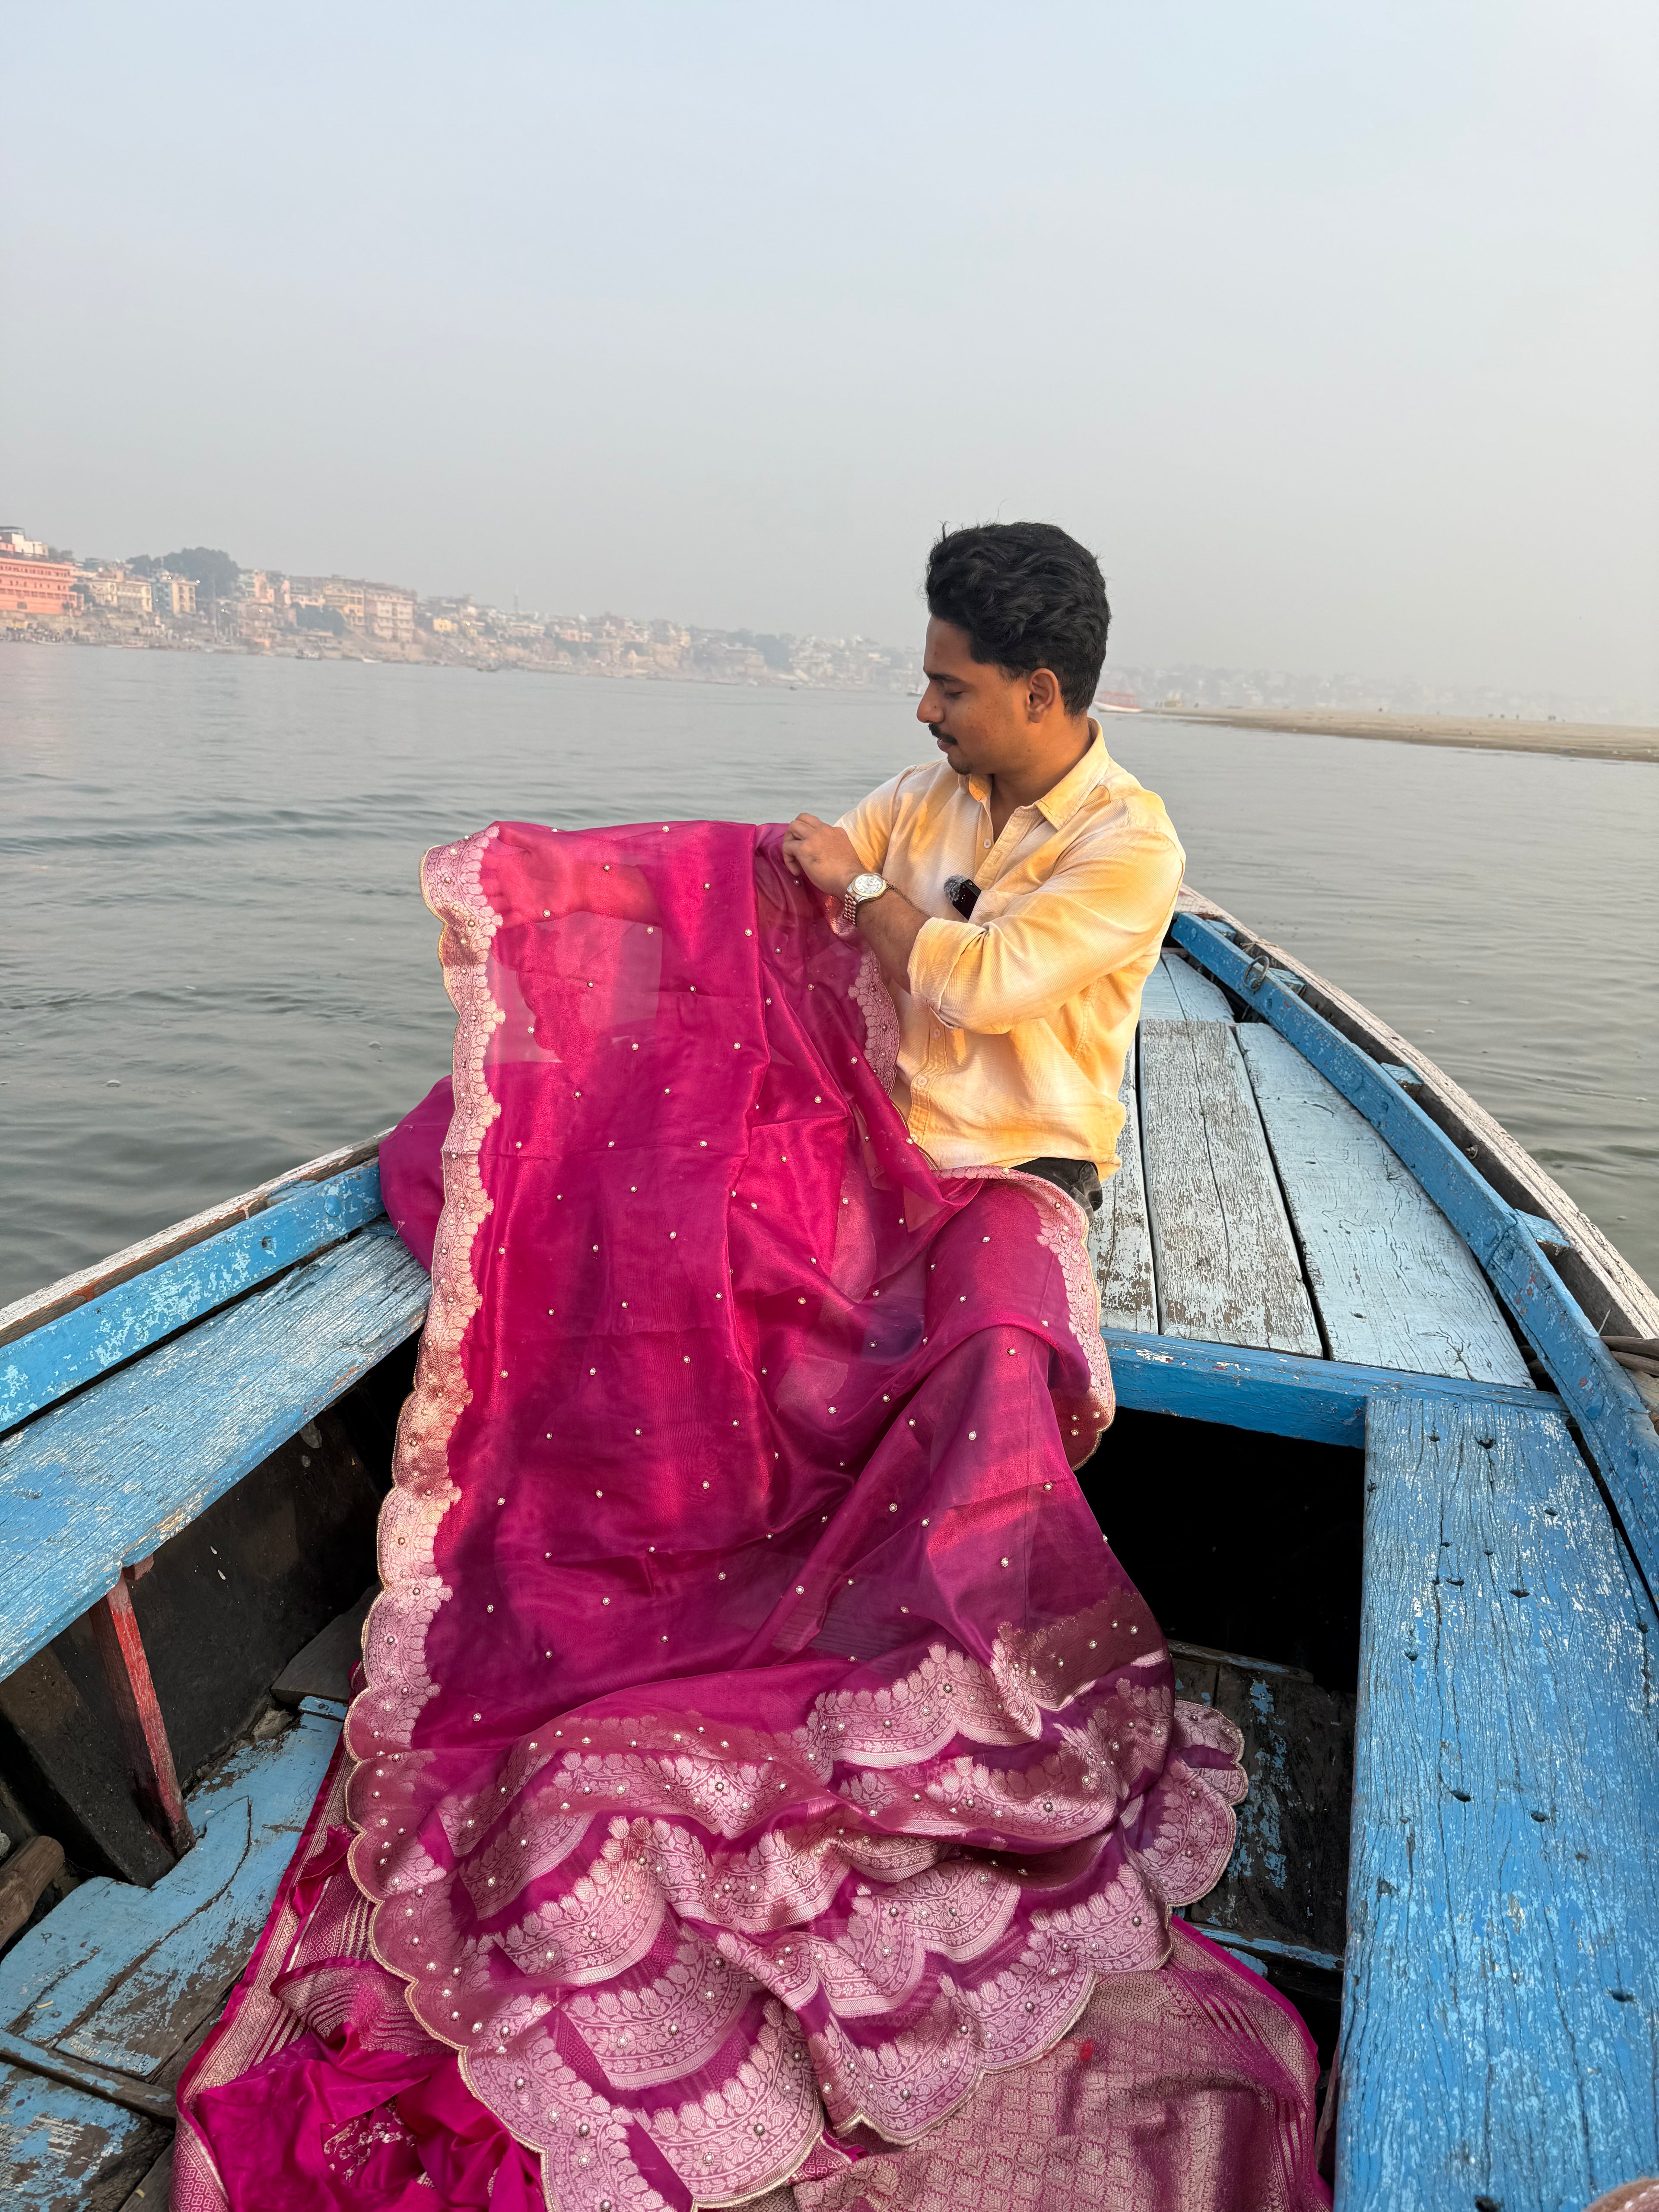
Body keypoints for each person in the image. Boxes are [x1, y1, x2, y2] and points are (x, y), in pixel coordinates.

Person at [782, 521, 1185, 1220]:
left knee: (991, 1331)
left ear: (1038, 694)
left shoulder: (1132, 845)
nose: (926, 710)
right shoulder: (916, 796)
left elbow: (981, 987)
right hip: (877, 1133)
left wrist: (860, 886)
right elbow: (793, 882)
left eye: (952, 690)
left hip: (1021, 1164)